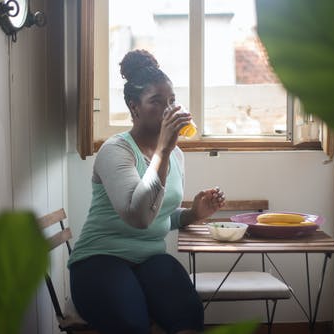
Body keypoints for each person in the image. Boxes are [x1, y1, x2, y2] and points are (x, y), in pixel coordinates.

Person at [68, 49, 225, 334]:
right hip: (101, 259)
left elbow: (160, 213)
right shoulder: (116, 150)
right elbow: (138, 217)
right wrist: (163, 151)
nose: (168, 110)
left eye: (172, 101)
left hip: (150, 259)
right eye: (156, 101)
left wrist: (193, 213)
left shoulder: (175, 155)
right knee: (132, 324)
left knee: (189, 316)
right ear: (134, 106)